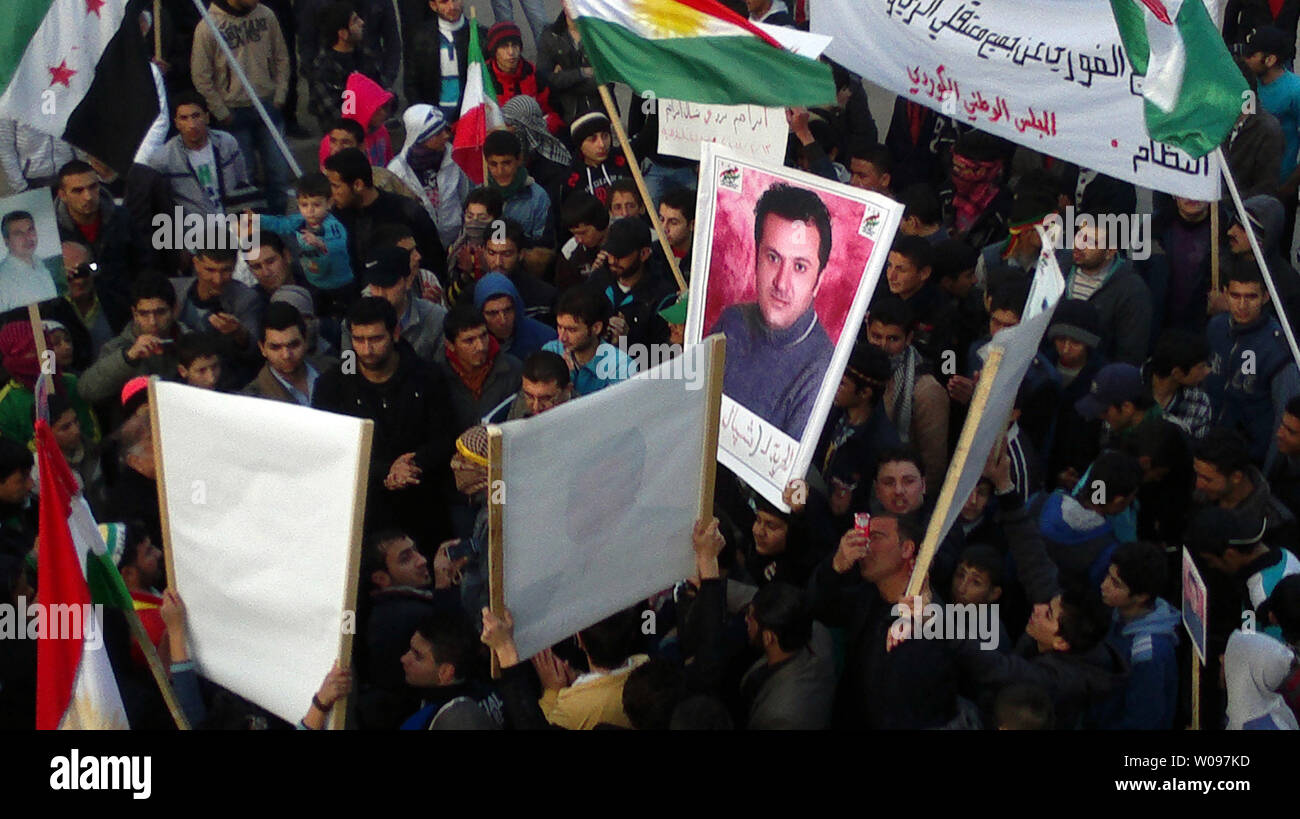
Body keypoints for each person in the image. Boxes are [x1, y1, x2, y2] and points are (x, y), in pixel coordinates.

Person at [314, 297, 457, 547]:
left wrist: (411, 466)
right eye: (359, 340)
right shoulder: (334, 384)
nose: (367, 349)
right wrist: (386, 471)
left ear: (395, 333)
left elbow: (446, 438)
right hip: (365, 514)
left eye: (376, 339)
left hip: (425, 507)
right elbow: (329, 449)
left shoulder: (427, 376)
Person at [706, 183, 836, 441]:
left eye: (799, 266)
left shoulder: (821, 368)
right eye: (773, 258)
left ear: (818, 281)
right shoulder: (732, 321)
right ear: (756, 259)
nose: (781, 283)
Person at [191, 0, 292, 215]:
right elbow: (201, 76)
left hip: (267, 105)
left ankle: (280, 227)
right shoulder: (208, 26)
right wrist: (222, 112)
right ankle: (256, 234)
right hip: (233, 113)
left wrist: (280, 95)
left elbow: (282, 57)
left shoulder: (267, 15)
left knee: (279, 172)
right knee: (244, 179)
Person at [1205, 264, 1300, 464]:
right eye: (1235, 295)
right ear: (1225, 294)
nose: (1242, 305)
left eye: (1251, 297)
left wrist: (1270, 470)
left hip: (1251, 457)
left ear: (1265, 297)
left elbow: (1284, 415)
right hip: (1212, 444)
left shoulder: (1277, 348)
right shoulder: (1216, 327)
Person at [1091, 541, 1180, 730]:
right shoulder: (1119, 613)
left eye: (1116, 584)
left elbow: (1142, 721)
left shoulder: (1147, 654)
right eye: (1108, 574)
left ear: (1141, 596)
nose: (1104, 585)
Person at [864, 298, 949, 487]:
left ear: (909, 338)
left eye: (893, 339)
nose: (883, 346)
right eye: (876, 336)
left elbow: (933, 465)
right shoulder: (858, 369)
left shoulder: (927, 391)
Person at [325, 148, 445, 280]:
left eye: (336, 186)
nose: (332, 192)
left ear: (358, 185)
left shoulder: (406, 212)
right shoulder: (335, 217)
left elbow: (435, 260)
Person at [79, 275, 189, 408]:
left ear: (174, 309)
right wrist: (128, 358)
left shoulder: (191, 339)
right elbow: (86, 390)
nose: (152, 321)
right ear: (135, 313)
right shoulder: (118, 347)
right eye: (144, 314)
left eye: (160, 312)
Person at [738, 582, 836, 729]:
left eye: (750, 618)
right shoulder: (816, 631)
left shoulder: (779, 718)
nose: (746, 619)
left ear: (768, 638)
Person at [534, 607, 650, 730]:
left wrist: (552, 691)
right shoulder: (646, 664)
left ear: (579, 638)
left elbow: (542, 725)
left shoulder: (571, 708)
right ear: (632, 633)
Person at [150, 91, 255, 218]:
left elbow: (242, 181)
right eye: (184, 118)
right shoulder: (165, 157)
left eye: (196, 116)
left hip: (232, 220)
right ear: (177, 123)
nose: (192, 125)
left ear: (207, 117)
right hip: (196, 229)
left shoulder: (226, 143)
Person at [256, 172, 355, 304]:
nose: (310, 210)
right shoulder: (300, 221)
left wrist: (320, 243)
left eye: (316, 205)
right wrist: (258, 219)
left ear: (329, 203)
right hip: (314, 282)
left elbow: (338, 244)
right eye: (304, 205)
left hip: (340, 284)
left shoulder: (333, 225)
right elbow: (282, 223)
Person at [1063, 219, 1152, 366]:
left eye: (1091, 242)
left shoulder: (1132, 290)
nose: (1079, 245)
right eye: (1079, 236)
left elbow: (1130, 353)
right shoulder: (1058, 268)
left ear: (1110, 252)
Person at [172, 246, 265, 386]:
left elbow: (256, 352)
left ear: (234, 265)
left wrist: (239, 333)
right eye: (210, 270)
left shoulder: (245, 299)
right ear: (196, 263)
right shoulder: (175, 290)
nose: (218, 279)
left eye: (225, 270)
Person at [1193, 428, 1298, 549]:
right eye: (1197, 474)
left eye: (1207, 479)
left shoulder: (1275, 524)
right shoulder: (1196, 496)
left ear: (1236, 477)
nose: (1198, 484)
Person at [399, 611, 504, 729]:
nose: (403, 659)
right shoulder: (495, 691)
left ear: (446, 672)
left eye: (417, 656)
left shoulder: (433, 719)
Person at [388, 105, 471, 248]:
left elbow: (465, 195)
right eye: (438, 134)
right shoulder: (397, 171)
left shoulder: (455, 158)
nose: (446, 135)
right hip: (421, 247)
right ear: (421, 138)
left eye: (445, 130)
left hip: (457, 242)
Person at [587, 218, 676, 349]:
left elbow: (661, 354)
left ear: (644, 254)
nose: (612, 261)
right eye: (610, 253)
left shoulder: (663, 297)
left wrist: (627, 339)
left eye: (621, 255)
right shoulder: (598, 280)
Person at [434, 303, 523, 434]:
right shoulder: (436, 376)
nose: (481, 346)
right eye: (469, 341)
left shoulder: (513, 369)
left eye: (483, 336)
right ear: (450, 345)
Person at [542, 285, 637, 396]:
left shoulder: (620, 366)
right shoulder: (551, 351)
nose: (562, 337)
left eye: (571, 330)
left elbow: (612, 411)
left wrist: (566, 383)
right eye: (559, 327)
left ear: (596, 328)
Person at [307, 2, 385, 130]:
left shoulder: (365, 56)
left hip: (373, 135)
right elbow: (336, 118)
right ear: (343, 33)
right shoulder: (323, 70)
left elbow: (382, 93)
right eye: (355, 21)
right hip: (345, 142)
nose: (362, 23)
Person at [243, 302, 336, 404]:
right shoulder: (251, 400)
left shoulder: (334, 369)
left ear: (306, 341)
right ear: (262, 348)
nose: (286, 355)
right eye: (275, 347)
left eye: (293, 345)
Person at [405, 0, 480, 122]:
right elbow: (411, 84)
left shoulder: (478, 36)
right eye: (444, 2)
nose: (452, 6)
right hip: (433, 120)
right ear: (433, 5)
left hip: (470, 118)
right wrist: (425, 118)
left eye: (455, 0)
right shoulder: (420, 38)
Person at [484, 22, 563, 134]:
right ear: (494, 51)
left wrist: (537, 127)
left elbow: (554, 114)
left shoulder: (533, 74)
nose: (511, 52)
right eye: (504, 46)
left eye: (515, 45)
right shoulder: (481, 79)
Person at [483, 129, 554, 247]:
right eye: (493, 164)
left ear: (519, 159)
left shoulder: (537, 197)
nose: (500, 172)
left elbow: (543, 245)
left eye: (506, 163)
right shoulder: (480, 193)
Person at [536, 8, 602, 125]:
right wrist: (582, 73)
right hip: (564, 116)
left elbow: (603, 80)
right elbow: (544, 79)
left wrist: (563, 79)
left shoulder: (600, 33)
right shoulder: (550, 36)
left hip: (599, 112)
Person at [554, 111, 630, 210]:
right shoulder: (571, 179)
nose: (602, 144)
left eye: (605, 136)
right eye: (592, 139)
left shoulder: (625, 158)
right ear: (580, 145)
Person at [1146, 329, 1214, 440]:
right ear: (1177, 373)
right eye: (1201, 367)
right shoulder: (1129, 386)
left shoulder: (1198, 402)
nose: (1208, 371)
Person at [473, 272, 556, 360]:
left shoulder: (545, 339)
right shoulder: (472, 344)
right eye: (493, 313)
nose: (503, 320)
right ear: (480, 314)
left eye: (508, 310)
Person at [485, 349, 572, 422]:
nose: (536, 407)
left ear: (567, 389)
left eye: (546, 398)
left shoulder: (582, 417)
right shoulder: (520, 403)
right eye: (529, 396)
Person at [0, 210, 57, 313]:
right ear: (6, 241)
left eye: (30, 230)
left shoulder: (40, 264)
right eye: (18, 234)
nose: (28, 238)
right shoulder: (3, 279)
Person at [554, 191, 610, 290]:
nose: (579, 239)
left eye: (583, 233)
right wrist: (594, 278)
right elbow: (568, 295)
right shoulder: (569, 252)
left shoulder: (624, 237)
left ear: (601, 222)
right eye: (574, 234)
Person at [658, 186, 696, 282]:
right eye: (661, 219)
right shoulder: (653, 254)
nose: (664, 228)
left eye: (673, 222)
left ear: (692, 225)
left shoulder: (701, 260)